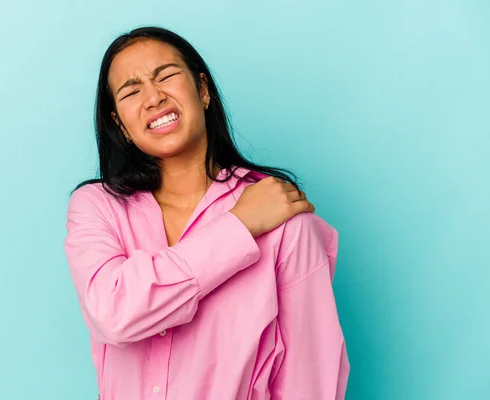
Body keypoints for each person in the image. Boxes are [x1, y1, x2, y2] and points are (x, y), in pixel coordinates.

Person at [64, 26, 349, 400]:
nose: (153, 98)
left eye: (165, 75)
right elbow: (113, 314)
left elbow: (310, 380)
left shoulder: (283, 220)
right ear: (121, 124)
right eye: (131, 91)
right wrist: (239, 227)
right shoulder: (97, 206)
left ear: (202, 90)